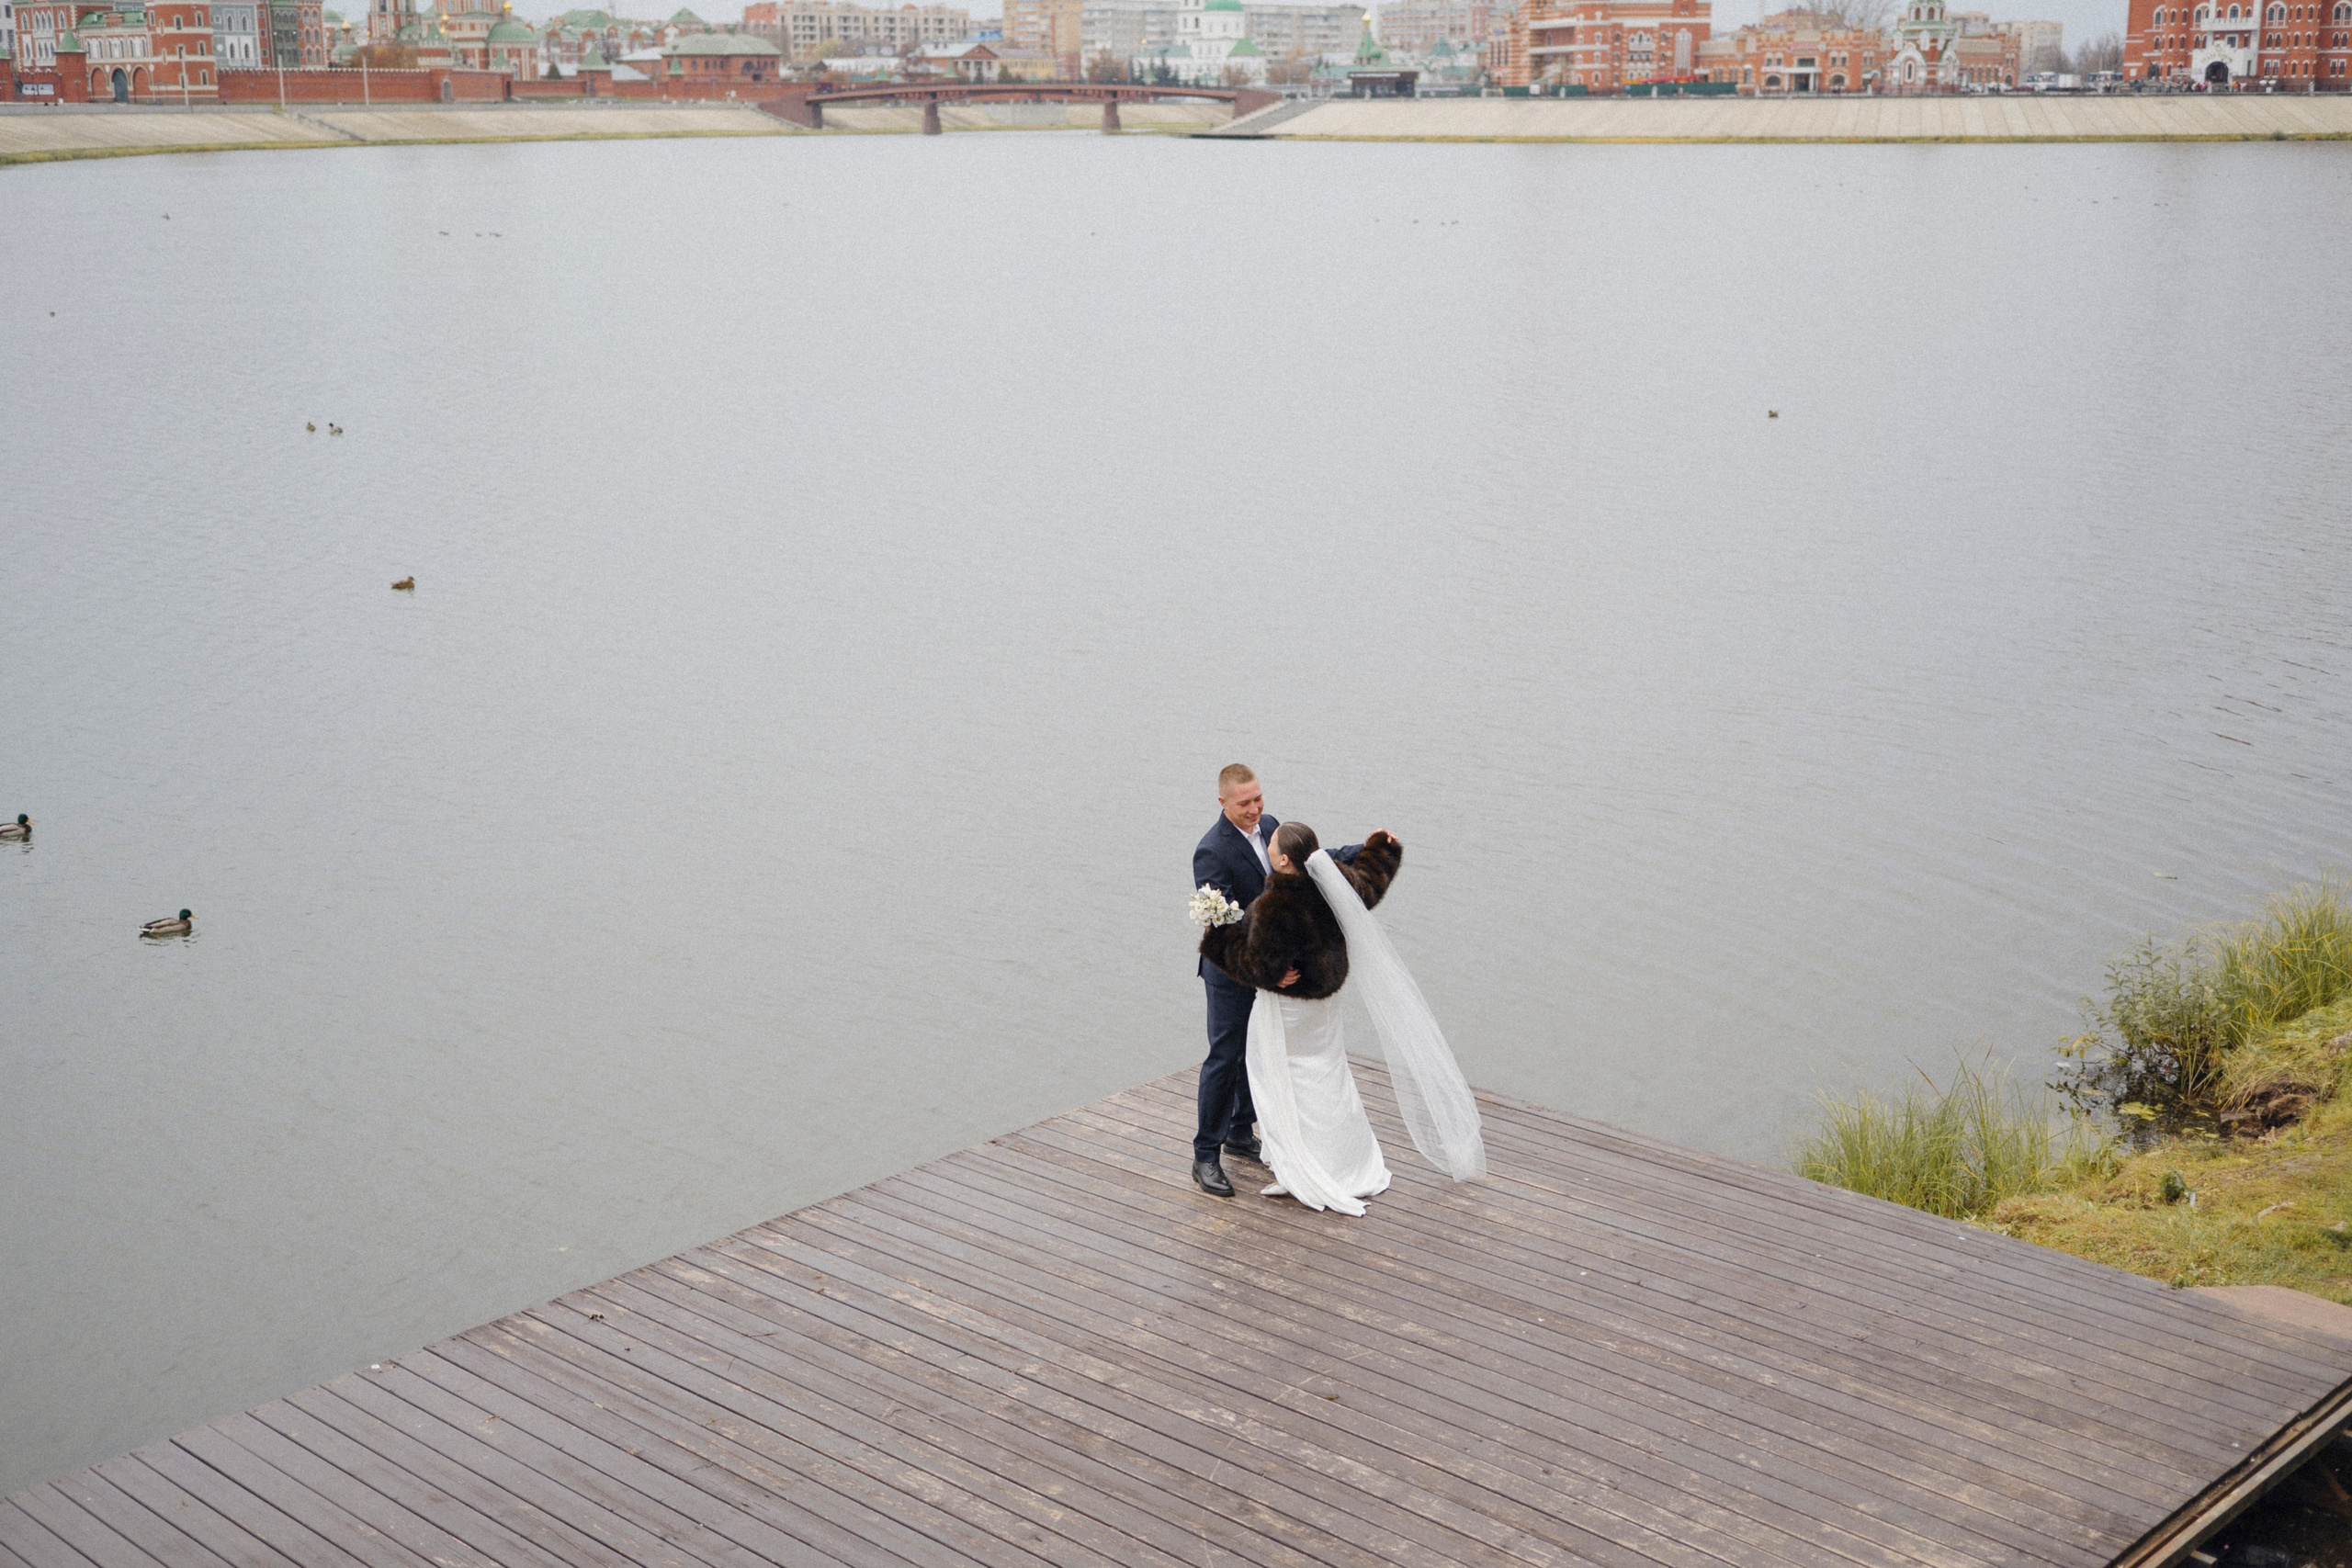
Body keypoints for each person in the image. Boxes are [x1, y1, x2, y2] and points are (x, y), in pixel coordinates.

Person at [1197, 820, 1487, 1214]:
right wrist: (1382, 848)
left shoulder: (1276, 905)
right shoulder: (1336, 884)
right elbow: (1370, 885)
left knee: (1286, 1080)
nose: (1267, 847)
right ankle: (1346, 1161)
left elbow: (1257, 965)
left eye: (1272, 846)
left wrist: (1215, 936)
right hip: (1324, 1007)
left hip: (1289, 1010)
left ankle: (1307, 1162)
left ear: (1283, 860)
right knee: (1328, 1075)